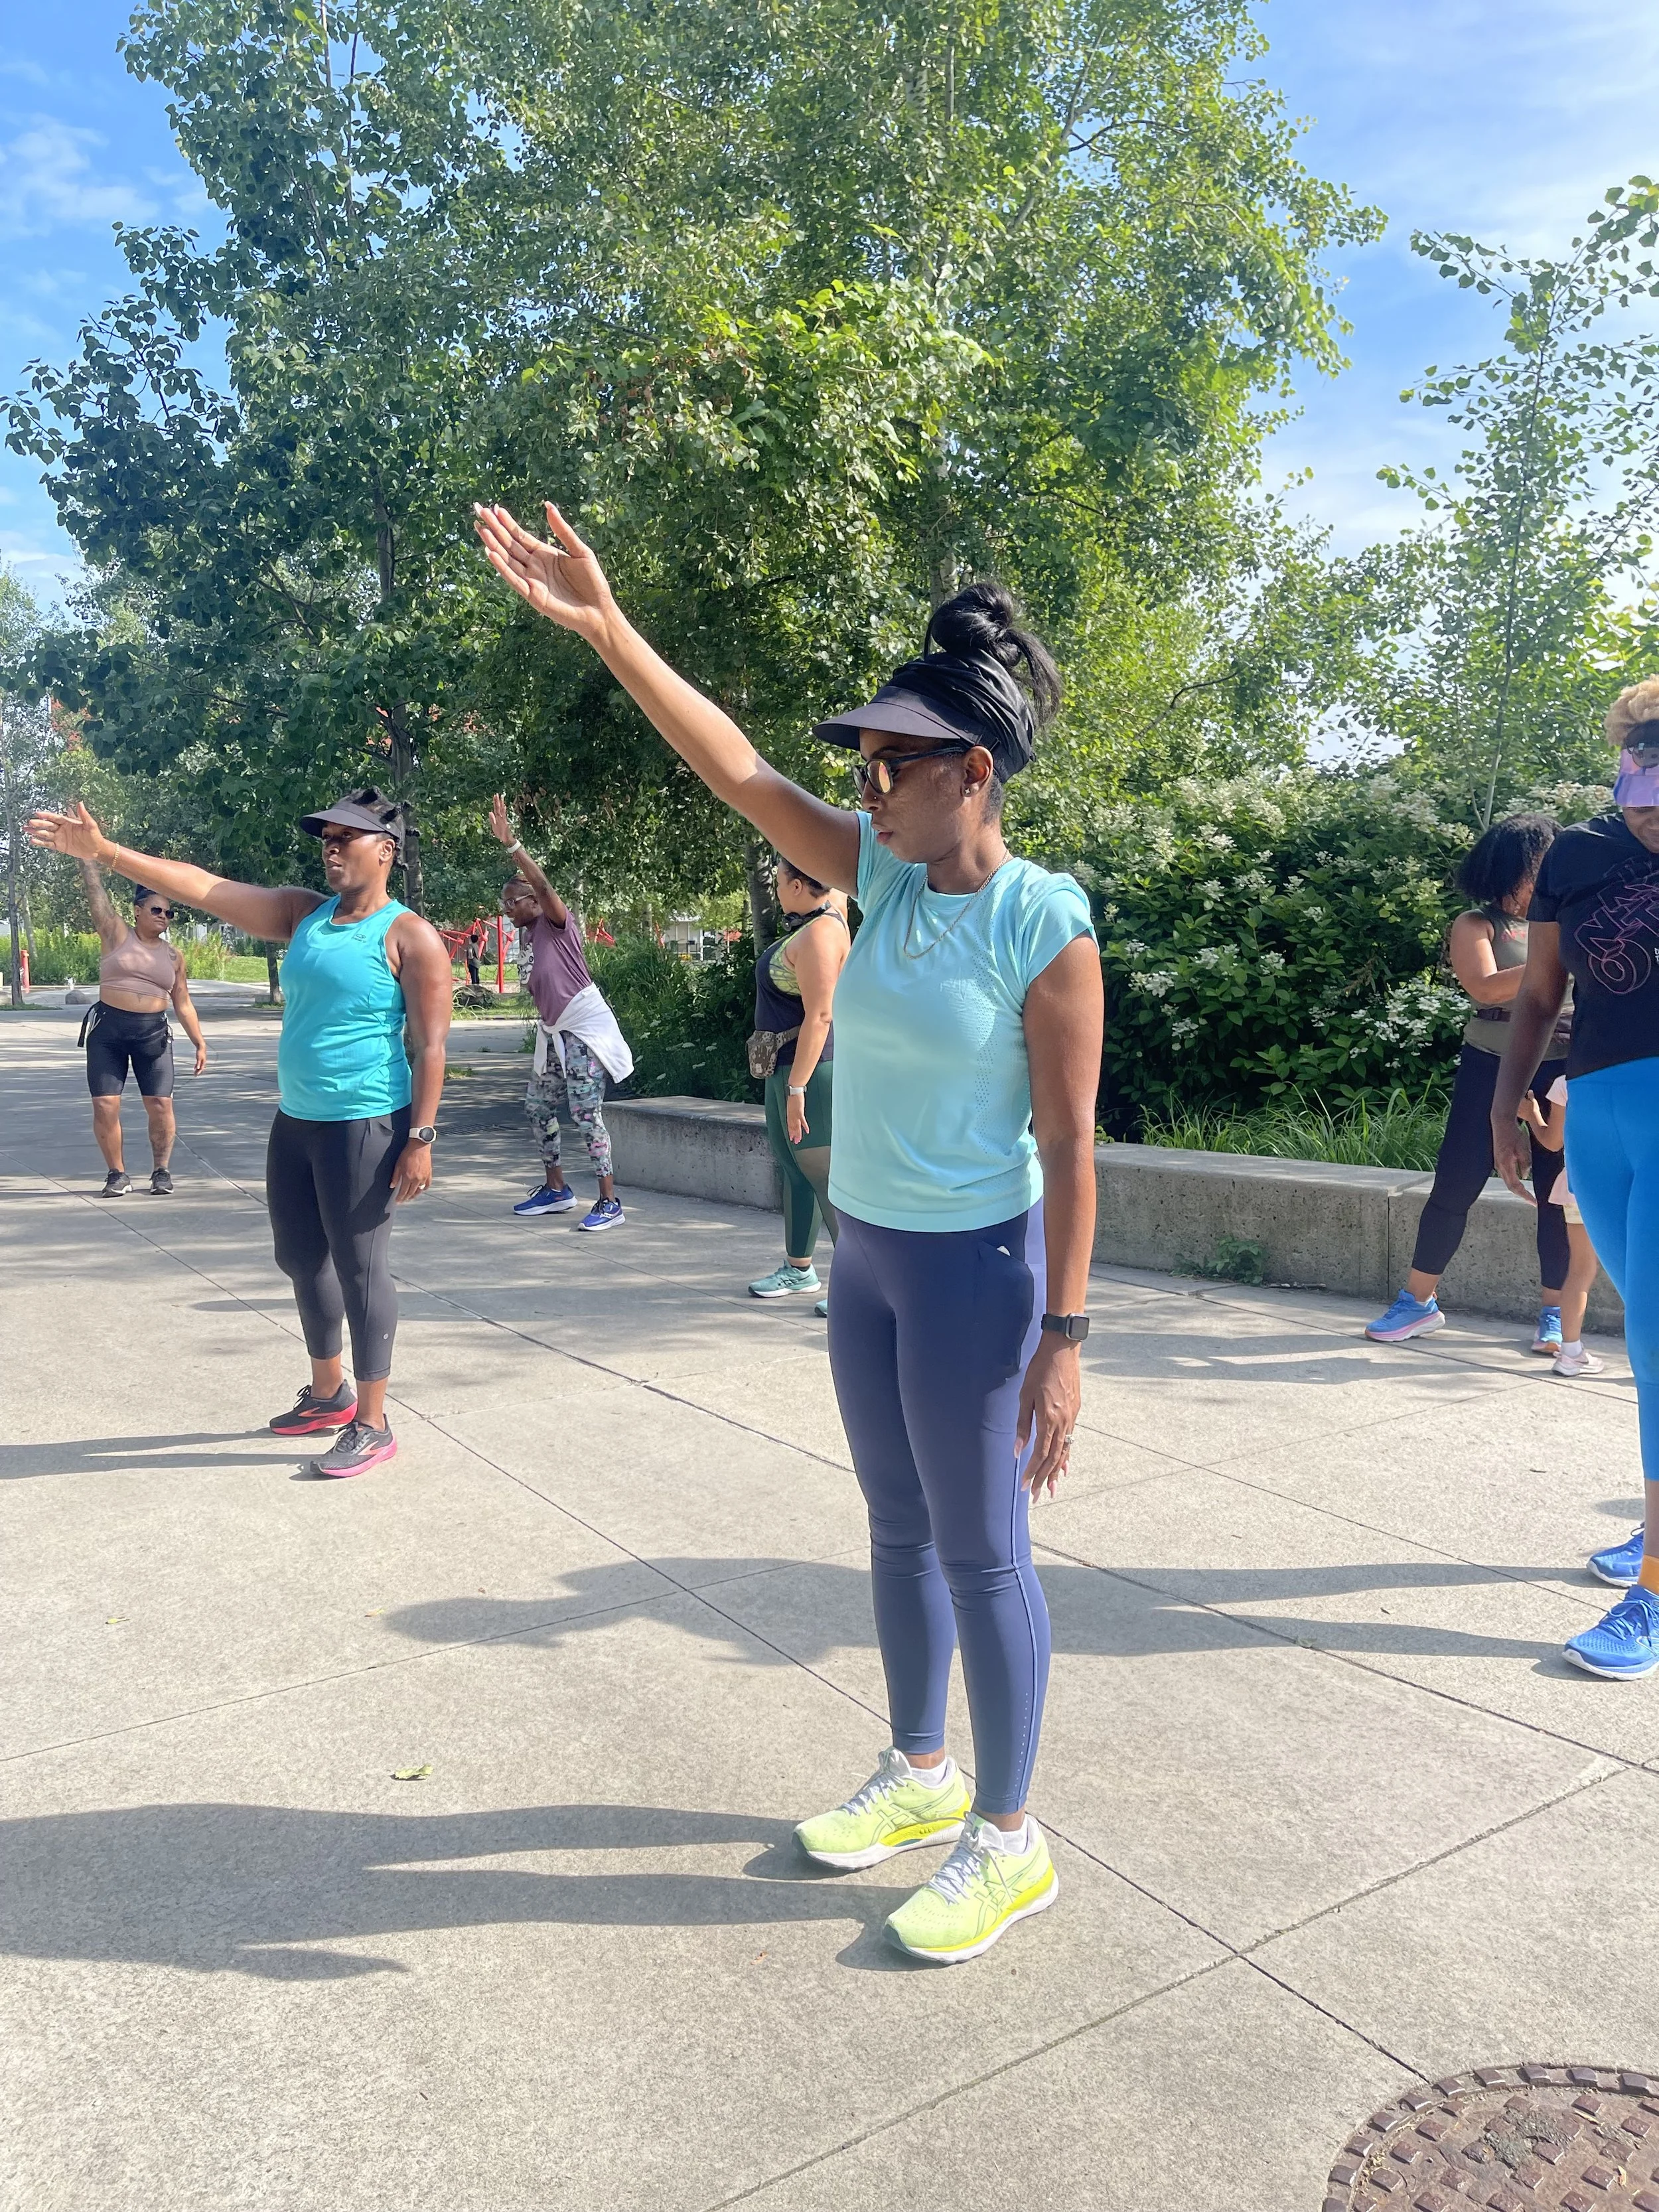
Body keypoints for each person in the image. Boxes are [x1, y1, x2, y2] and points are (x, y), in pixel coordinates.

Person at [476, 498, 1103, 1964]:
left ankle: (1007, 1839)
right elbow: (733, 762)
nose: (869, 784)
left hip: (974, 1268)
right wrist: (605, 624)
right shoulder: (872, 874)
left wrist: (1064, 1338)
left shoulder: (1043, 922)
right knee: (893, 1528)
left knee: (983, 1551)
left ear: (976, 770)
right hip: (871, 1256)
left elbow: (1072, 1149)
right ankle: (918, 1767)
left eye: (897, 763)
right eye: (866, 763)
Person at [29, 788, 451, 1479]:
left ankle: (373, 1423)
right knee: (299, 1257)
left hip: (367, 1123)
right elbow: (201, 885)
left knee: (361, 1269)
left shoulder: (410, 935)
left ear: (387, 849)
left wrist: (421, 1138)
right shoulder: (303, 913)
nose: (333, 847)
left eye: (350, 836)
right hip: (299, 1121)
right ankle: (328, 1394)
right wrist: (105, 854)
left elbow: (431, 1045)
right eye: (328, 837)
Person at [1493, 677, 1659, 1676]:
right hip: (1599, 1110)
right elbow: (1542, 991)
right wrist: (1509, 1102)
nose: (1648, 804)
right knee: (1645, 1330)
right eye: (1638, 776)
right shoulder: (1583, 855)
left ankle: (1651, 1596)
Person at [1366, 814, 1571, 1349]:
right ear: (1509, 870)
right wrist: (1556, 957)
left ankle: (1555, 1313)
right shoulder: (1476, 924)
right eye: (1535, 871)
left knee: (1557, 1193)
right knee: (1456, 1183)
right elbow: (1484, 986)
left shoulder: (1566, 919)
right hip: (1490, 1063)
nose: (1541, 882)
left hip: (1561, 1068)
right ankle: (1418, 1301)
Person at [488, 794, 634, 1230]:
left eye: (513, 902)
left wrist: (513, 846)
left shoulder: (556, 924)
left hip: (583, 1032)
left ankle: (610, 1200)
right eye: (504, 904)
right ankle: (557, 1190)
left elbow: (547, 886)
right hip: (555, 1034)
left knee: (587, 1114)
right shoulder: (528, 935)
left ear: (534, 901)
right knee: (537, 1107)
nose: (507, 909)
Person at [747, 855, 849, 1315]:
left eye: (781, 878)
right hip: (784, 1067)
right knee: (794, 1168)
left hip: (811, 1073)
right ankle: (799, 1266)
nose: (777, 886)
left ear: (797, 884)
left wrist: (798, 1089)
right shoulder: (820, 916)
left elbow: (822, 1015)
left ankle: (860, 1284)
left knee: (824, 1175)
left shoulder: (822, 932)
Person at [76, 859, 206, 1195]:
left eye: (169, 913)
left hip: (153, 1035)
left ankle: (161, 1171)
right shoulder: (116, 934)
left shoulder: (175, 957)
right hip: (109, 1033)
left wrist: (200, 1042)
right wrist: (87, 858)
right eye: (157, 910)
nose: (164, 916)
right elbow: (96, 896)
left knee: (161, 1105)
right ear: (137, 910)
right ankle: (116, 1174)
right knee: (106, 1104)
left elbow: (183, 1001)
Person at [1519, 1080, 1604, 1378]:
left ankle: (1570, 1353)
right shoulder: (1633, 1072)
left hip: (1580, 1186)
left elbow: (1553, 1142)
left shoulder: (1565, 1084)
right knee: (1639, 1270)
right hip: (1624, 1185)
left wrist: (1532, 1116)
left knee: (1580, 1269)